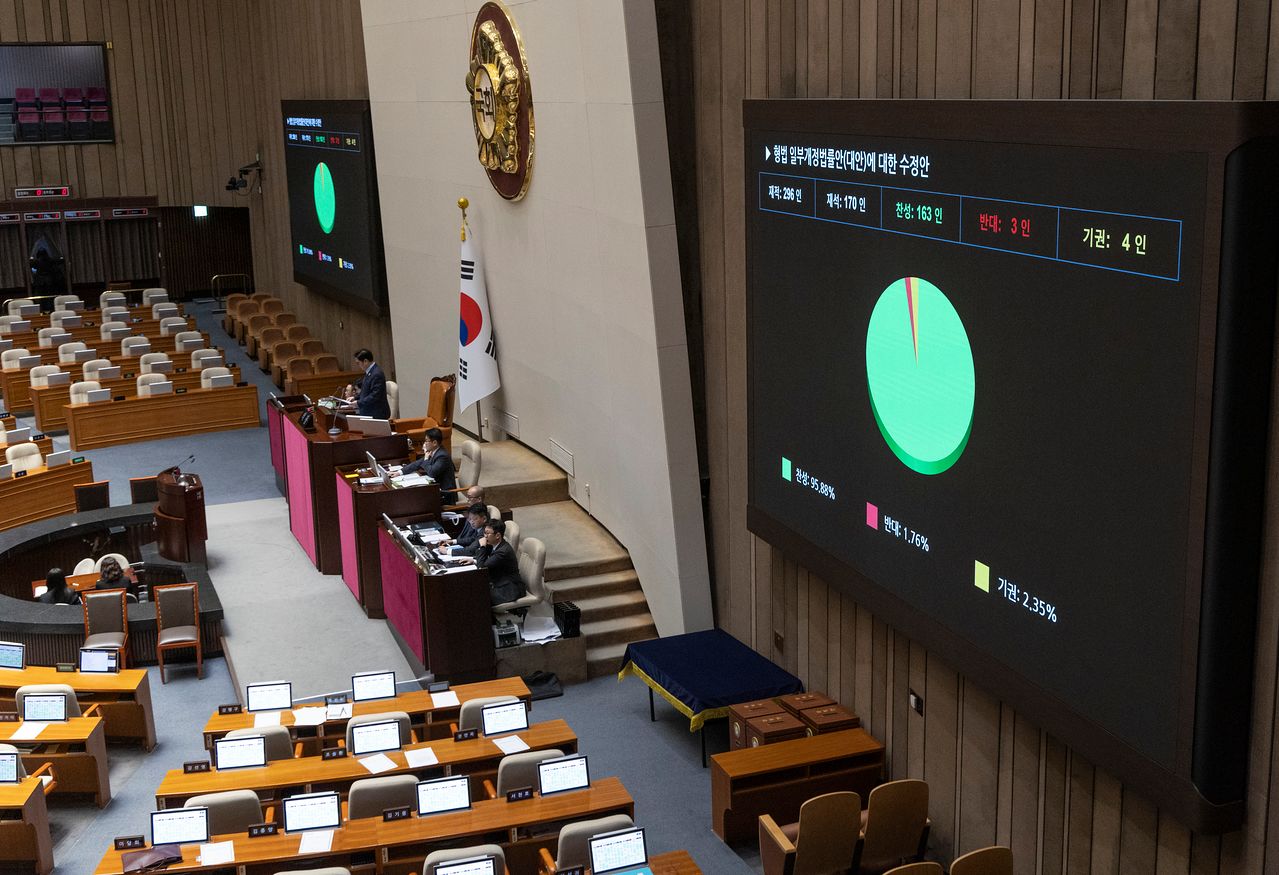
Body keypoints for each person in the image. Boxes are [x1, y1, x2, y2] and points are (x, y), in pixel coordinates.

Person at [465, 519, 525, 606]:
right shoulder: (495, 545)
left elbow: (481, 568)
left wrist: (482, 547)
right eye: (484, 533)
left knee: (477, 598)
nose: (484, 536)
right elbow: (487, 561)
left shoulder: (503, 551)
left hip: (510, 589)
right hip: (499, 582)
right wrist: (474, 560)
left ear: (497, 535)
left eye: (487, 533)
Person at [402, 427, 457, 492]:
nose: (424, 444)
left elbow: (432, 472)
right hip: (436, 486)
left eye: (426, 441)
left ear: (434, 443)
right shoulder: (434, 451)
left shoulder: (442, 456)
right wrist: (400, 472)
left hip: (446, 493)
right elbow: (418, 463)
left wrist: (426, 459)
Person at [344, 348, 389, 419]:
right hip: (369, 412)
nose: (358, 366)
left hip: (376, 413)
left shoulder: (376, 373)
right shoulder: (370, 372)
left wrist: (359, 403)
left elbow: (375, 395)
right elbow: (366, 391)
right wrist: (355, 398)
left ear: (365, 361)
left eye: (358, 363)